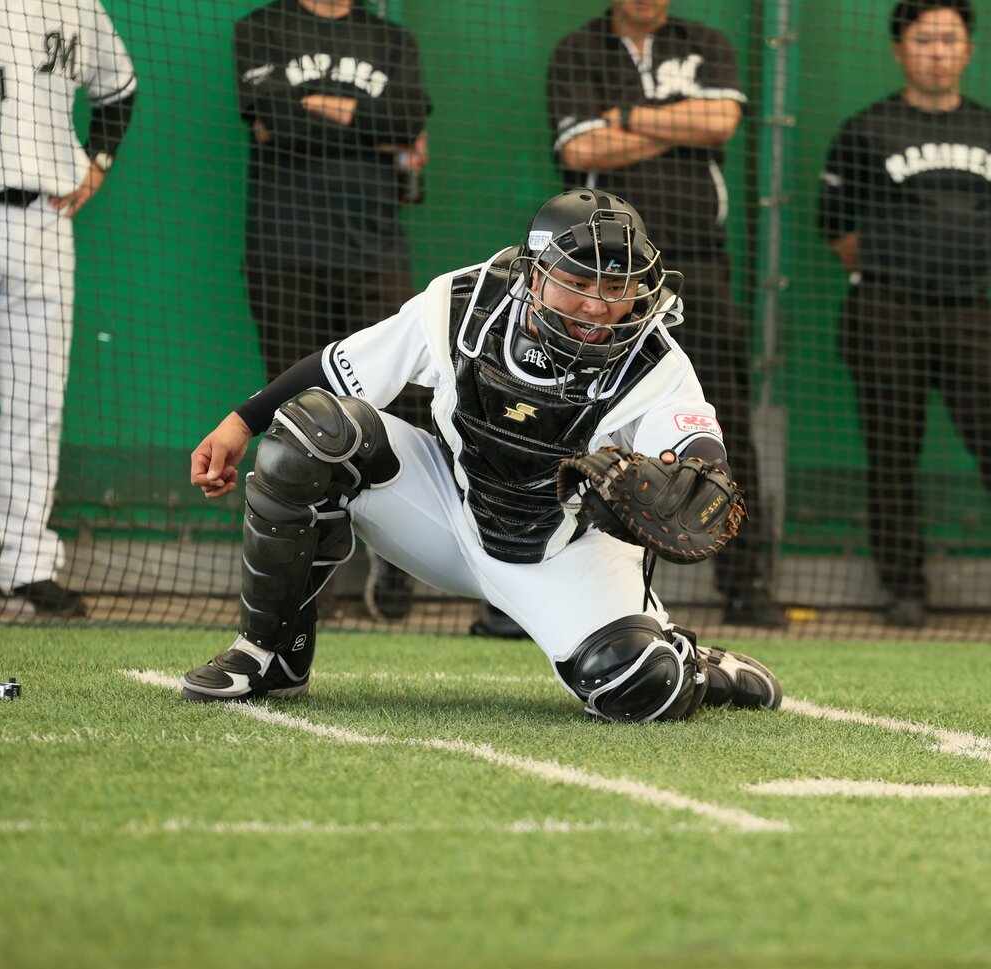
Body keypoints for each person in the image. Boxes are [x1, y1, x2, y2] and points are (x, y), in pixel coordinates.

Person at [181, 188, 783, 722]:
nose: (598, 306)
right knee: (313, 432)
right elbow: (341, 367)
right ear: (534, 274)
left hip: (564, 552)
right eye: (578, 282)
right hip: (448, 510)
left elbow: (698, 459)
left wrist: (695, 477)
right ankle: (269, 655)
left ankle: (695, 663)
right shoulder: (464, 303)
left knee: (638, 686)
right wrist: (242, 422)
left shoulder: (657, 362)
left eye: (617, 287)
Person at [818, 0, 991, 630]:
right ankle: (903, 588)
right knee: (892, 453)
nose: (937, 51)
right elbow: (835, 226)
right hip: (884, 311)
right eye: (924, 39)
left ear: (968, 49)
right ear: (899, 49)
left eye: (949, 39)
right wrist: (897, 271)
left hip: (969, 313)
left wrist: (960, 274)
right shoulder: (866, 130)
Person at [544, 0, 786, 629]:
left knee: (719, 418)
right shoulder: (579, 49)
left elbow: (721, 121)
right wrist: (674, 124)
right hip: (602, 276)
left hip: (698, 267)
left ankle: (744, 584)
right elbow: (584, 145)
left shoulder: (705, 41)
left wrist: (625, 118)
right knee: (577, 415)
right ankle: (559, 575)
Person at [0, 0, 137, 619]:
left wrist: (97, 163)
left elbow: (119, 89)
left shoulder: (77, 5)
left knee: (38, 400)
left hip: (48, 221)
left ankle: (27, 565)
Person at [234, 0, 431, 622]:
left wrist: (321, 111)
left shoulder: (391, 39)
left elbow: (408, 119)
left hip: (372, 248)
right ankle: (293, 574)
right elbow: (270, 121)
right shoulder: (261, 28)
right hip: (283, 247)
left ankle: (398, 565)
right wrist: (369, 124)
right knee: (294, 415)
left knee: (397, 405)